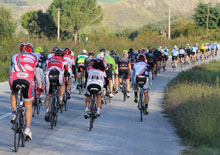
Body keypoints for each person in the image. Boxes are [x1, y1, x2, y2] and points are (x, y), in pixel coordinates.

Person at [9, 42, 41, 140]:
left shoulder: (15, 56)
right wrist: (39, 86)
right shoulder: (34, 58)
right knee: (28, 104)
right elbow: (37, 75)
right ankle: (27, 129)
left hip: (15, 78)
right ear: (30, 50)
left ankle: (14, 113)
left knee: (14, 92)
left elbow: (11, 70)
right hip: (27, 80)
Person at [44, 49, 69, 122]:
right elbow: (66, 72)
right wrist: (66, 78)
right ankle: (60, 99)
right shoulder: (64, 61)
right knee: (63, 84)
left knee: (48, 95)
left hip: (49, 75)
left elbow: (45, 68)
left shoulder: (48, 60)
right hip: (59, 76)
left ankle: (47, 110)